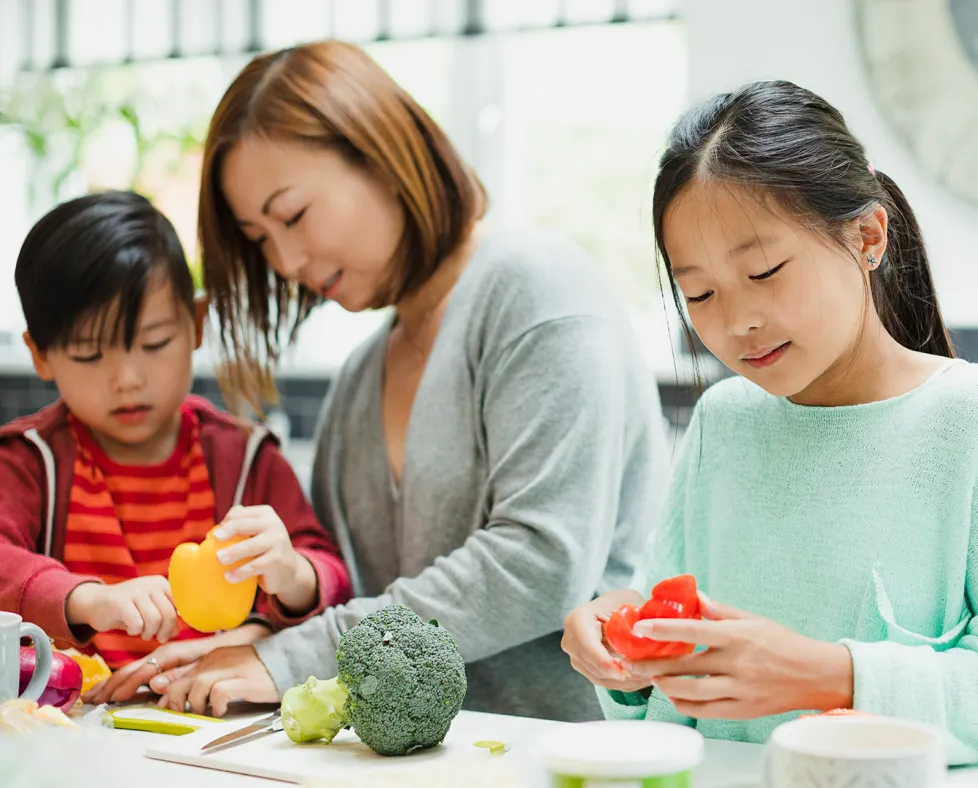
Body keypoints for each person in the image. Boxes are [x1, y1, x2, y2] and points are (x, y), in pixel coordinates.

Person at [132, 40, 668, 721]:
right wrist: (260, 638)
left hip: (563, 756)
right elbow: (352, 597)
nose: (288, 259)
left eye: (293, 215)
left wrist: (291, 659)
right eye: (260, 238)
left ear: (382, 157)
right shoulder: (360, 377)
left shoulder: (538, 290)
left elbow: (540, 566)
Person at [561, 80, 978, 769]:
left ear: (867, 235)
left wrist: (829, 675)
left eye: (766, 271)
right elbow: (675, 680)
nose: (737, 321)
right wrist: (622, 641)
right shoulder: (725, 422)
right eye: (701, 294)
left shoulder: (969, 418)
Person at [0, 191, 351, 682]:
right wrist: (87, 599)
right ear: (40, 354)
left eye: (154, 343)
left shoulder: (245, 457)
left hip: (217, 722)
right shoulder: (29, 461)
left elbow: (333, 577)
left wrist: (293, 573)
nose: (127, 378)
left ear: (197, 325)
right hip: (69, 731)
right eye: (88, 354)